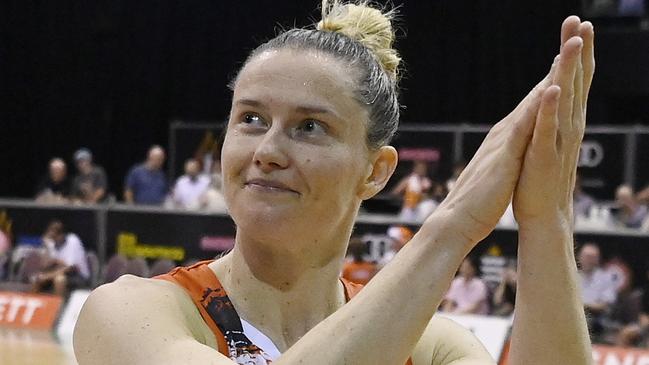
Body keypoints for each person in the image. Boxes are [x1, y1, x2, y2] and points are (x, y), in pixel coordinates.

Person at [74, 2, 595, 364]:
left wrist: (547, 217)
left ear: (377, 171)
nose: (268, 151)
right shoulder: (134, 311)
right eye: (251, 118)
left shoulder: (432, 346)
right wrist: (451, 227)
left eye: (310, 127)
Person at [32, 220, 90, 297]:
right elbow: (44, 265)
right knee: (37, 278)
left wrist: (47, 276)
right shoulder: (51, 242)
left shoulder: (73, 240)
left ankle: (59, 308)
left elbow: (70, 268)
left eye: (55, 237)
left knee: (59, 280)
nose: (53, 240)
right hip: (57, 272)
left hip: (78, 275)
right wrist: (46, 246)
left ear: (61, 235)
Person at [577, 243, 617, 338]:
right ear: (579, 257)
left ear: (598, 259)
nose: (589, 260)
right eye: (587, 257)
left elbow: (603, 305)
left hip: (596, 318)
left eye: (592, 257)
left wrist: (581, 305)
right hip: (573, 314)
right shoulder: (572, 277)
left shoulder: (606, 278)